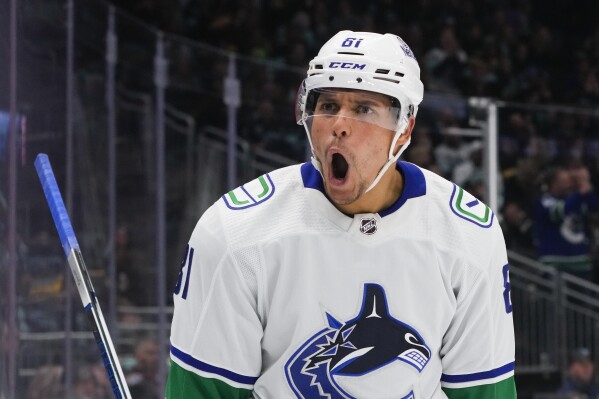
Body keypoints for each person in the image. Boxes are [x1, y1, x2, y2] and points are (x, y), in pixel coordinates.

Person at [167, 30, 516, 398]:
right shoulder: (234, 234)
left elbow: (483, 391)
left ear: (405, 128)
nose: (339, 125)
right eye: (329, 106)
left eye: (364, 108)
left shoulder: (468, 236)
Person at [534, 165, 599, 279]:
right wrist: (581, 193)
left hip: (580, 264)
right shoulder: (545, 201)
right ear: (554, 184)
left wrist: (587, 187)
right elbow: (561, 211)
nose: (569, 184)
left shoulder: (578, 199)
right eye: (565, 181)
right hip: (555, 264)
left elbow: (594, 207)